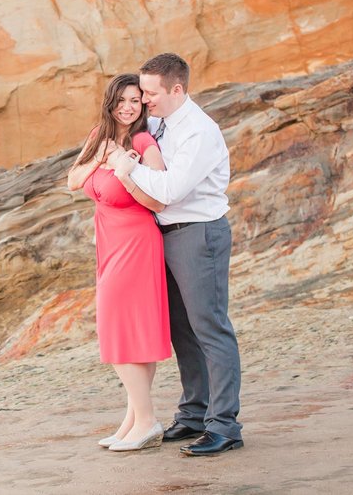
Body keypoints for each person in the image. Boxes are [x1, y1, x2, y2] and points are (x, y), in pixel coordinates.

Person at [110, 53, 243, 456]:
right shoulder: (160, 123)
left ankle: (224, 426)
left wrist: (125, 169)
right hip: (162, 236)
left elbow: (169, 191)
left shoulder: (199, 132)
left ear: (176, 89)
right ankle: (192, 414)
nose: (144, 100)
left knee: (210, 328)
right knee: (182, 331)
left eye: (150, 93)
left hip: (198, 234)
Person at [67, 73, 171, 452]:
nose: (128, 107)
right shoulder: (100, 136)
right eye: (122, 100)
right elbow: (73, 180)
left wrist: (126, 175)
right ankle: (131, 421)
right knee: (131, 331)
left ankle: (146, 420)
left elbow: (159, 199)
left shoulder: (144, 142)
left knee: (119, 329)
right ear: (110, 102)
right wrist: (104, 156)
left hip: (136, 242)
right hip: (110, 242)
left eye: (135, 100)